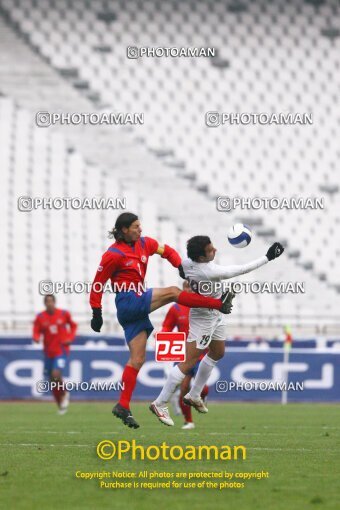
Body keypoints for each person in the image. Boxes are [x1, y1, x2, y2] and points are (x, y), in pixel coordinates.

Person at [89, 213, 233, 429]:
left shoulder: (145, 243)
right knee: (174, 292)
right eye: (136, 227)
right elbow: (98, 283)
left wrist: (179, 266)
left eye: (140, 226)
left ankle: (123, 405)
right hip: (129, 300)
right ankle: (216, 304)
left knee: (137, 360)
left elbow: (167, 251)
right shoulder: (113, 254)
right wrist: (96, 312)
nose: (140, 229)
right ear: (124, 229)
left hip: (135, 311)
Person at [150, 237, 284, 426]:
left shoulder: (188, 264)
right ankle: (160, 403)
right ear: (201, 257)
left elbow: (180, 267)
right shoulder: (210, 271)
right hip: (203, 317)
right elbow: (241, 269)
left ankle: (195, 394)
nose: (215, 249)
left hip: (216, 314)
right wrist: (267, 257)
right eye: (210, 249)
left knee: (218, 352)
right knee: (188, 362)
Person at [160, 281, 209, 429]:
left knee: (203, 388)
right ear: (183, 289)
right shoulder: (175, 308)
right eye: (187, 287)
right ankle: (189, 421)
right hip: (184, 354)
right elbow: (167, 326)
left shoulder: (203, 306)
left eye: (192, 287)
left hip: (200, 353)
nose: (189, 290)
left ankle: (200, 399)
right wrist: (162, 335)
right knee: (184, 388)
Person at [33, 294, 77, 415]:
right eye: (47, 302)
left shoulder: (63, 314)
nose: (49, 303)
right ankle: (60, 403)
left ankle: (64, 393)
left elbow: (73, 325)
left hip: (61, 350)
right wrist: (36, 337)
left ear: (54, 302)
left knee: (56, 374)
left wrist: (70, 338)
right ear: (45, 303)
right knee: (52, 380)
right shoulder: (40, 317)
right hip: (48, 352)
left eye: (51, 301)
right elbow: (36, 330)